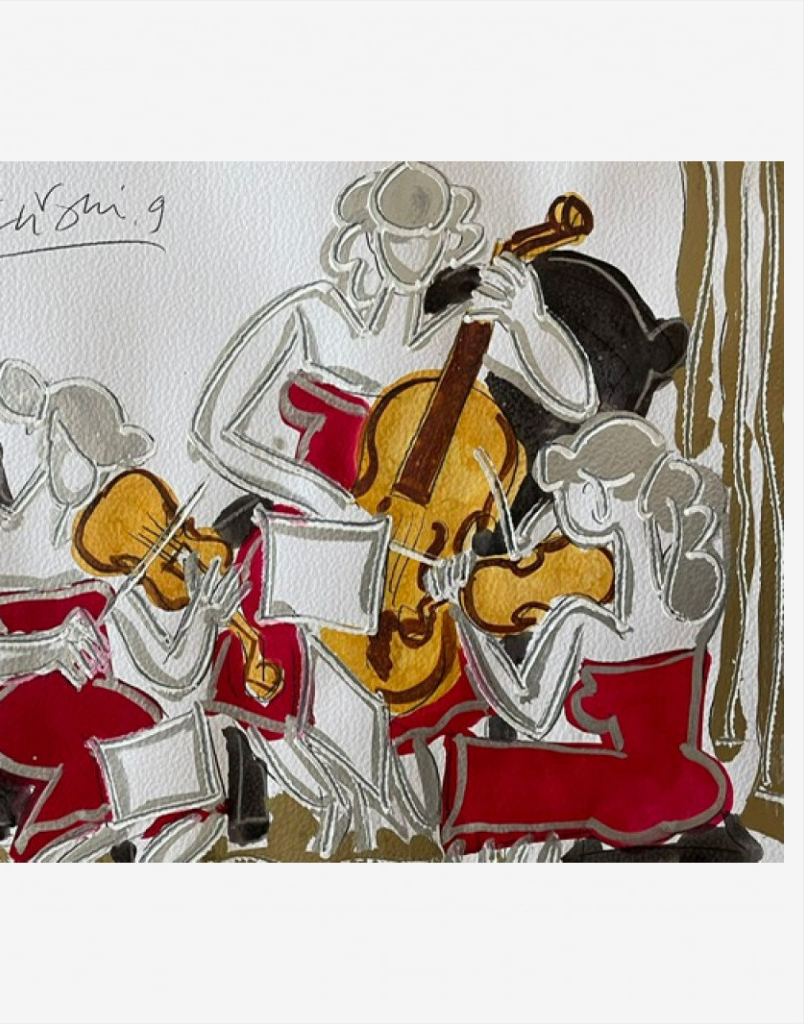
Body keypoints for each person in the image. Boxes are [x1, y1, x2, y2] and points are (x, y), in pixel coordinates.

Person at [190, 162, 600, 852]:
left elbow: (577, 398)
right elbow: (213, 428)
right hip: (316, 546)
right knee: (274, 667)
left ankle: (402, 827)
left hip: (414, 579)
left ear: (449, 239)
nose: (413, 251)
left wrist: (528, 321)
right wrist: (315, 493)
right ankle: (328, 799)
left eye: (428, 236)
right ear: (367, 234)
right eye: (397, 234)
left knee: (423, 752)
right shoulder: (312, 315)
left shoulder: (463, 334)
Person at [0, 359, 245, 861]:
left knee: (208, 785)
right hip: (25, 714)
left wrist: (205, 615)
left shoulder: (101, 552)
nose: (102, 476)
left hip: (105, 712)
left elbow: (172, 669)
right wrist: (47, 647)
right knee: (126, 773)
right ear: (49, 438)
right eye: (88, 452)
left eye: (109, 462)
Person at [427, 413, 733, 854]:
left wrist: (462, 613)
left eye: (566, 496)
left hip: (625, 796)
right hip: (685, 786)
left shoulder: (584, 621)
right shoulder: (690, 603)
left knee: (480, 782)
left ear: (597, 499)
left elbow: (529, 713)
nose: (559, 512)